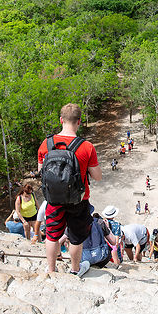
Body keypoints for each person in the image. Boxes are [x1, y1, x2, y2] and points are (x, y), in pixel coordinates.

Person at [38, 103, 101, 277]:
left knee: (51, 235)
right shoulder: (86, 147)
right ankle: (75, 269)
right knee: (75, 238)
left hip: (53, 199)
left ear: (61, 120)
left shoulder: (46, 143)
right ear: (79, 122)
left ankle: (51, 269)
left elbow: (40, 171)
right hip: (78, 200)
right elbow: (97, 176)